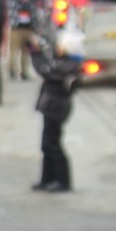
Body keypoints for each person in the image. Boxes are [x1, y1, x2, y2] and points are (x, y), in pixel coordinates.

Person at [30, 31, 84, 192]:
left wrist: (36, 52)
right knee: (47, 144)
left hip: (56, 107)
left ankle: (62, 180)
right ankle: (47, 178)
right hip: (52, 106)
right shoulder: (65, 63)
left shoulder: (67, 66)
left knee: (53, 144)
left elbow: (43, 68)